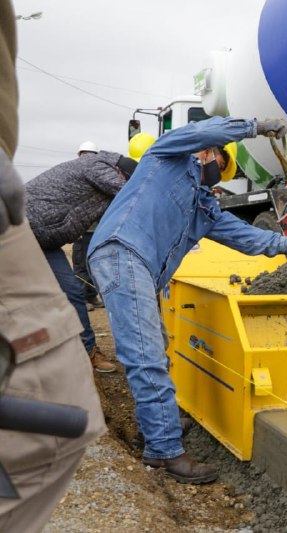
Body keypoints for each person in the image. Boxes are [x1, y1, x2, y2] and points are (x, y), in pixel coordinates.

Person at [87, 115, 287, 484]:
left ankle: (156, 424)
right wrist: (255, 127)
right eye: (221, 161)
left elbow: (245, 236)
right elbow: (201, 130)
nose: (218, 169)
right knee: (146, 356)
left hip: (140, 266)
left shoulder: (203, 208)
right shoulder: (167, 156)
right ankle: (163, 453)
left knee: (155, 348)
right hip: (123, 252)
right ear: (209, 151)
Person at [0, 4, 106, 530]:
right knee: (64, 305)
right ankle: (88, 352)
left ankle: (87, 350)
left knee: (69, 291)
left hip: (38, 237)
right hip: (26, 234)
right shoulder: (105, 170)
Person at [25, 152, 138, 373]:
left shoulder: (105, 187)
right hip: (16, 230)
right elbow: (133, 194)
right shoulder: (97, 166)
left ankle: (87, 352)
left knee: (73, 292)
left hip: (44, 241)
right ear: (118, 172)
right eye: (127, 179)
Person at [72, 141, 104, 312]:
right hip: (82, 232)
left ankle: (91, 296)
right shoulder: (75, 178)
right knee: (81, 268)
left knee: (91, 266)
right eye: (84, 155)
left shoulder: (98, 177)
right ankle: (81, 300)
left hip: (95, 231)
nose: (86, 158)